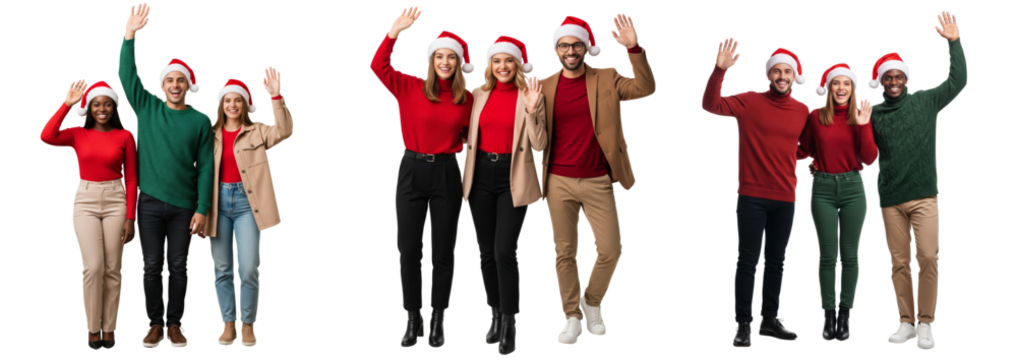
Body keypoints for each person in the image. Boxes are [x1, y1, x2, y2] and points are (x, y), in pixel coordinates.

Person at [538, 13, 655, 347]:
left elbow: (646, 88)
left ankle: (591, 302)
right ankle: (572, 316)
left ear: (587, 47)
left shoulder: (607, 78)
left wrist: (633, 48)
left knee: (611, 250)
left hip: (598, 179)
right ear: (557, 49)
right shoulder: (545, 85)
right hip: (557, 180)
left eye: (576, 44)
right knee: (565, 252)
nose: (570, 50)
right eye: (564, 45)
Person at [369, 5, 477, 350]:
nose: (445, 62)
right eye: (439, 56)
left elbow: (472, 135)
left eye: (451, 57)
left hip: (447, 172)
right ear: (431, 60)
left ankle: (439, 319)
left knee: (443, 250)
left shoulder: (466, 99)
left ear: (458, 63)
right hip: (411, 170)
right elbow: (377, 67)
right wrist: (393, 32)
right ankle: (412, 318)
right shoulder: (410, 87)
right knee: (409, 249)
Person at [701, 36, 811, 349]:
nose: (781, 77)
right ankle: (743, 324)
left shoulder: (803, 110)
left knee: (777, 260)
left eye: (787, 72)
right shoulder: (749, 101)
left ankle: (771, 320)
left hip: (786, 197)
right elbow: (710, 105)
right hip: (751, 196)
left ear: (794, 77)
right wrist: (719, 70)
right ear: (768, 75)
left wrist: (804, 159)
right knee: (748, 260)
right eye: (776, 72)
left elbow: (802, 149)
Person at [866, 9, 966, 351]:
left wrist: (954, 44)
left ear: (906, 78)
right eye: (887, 79)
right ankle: (905, 321)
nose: (893, 83)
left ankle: (925, 323)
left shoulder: (925, 100)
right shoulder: (874, 113)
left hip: (925, 195)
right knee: (899, 262)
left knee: (927, 256)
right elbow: (858, 149)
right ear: (880, 82)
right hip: (890, 197)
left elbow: (958, 82)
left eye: (898, 77)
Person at [118, 2, 214, 349]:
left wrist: (202, 208)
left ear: (188, 86)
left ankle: (176, 324)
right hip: (147, 202)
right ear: (162, 85)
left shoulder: (201, 120)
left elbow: (206, 167)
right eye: (170, 80)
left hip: (184, 206)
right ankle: (154, 324)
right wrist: (129, 36)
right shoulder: (147, 106)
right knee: (151, 266)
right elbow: (128, 78)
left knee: (178, 266)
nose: (175, 85)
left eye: (180, 81)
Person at [462, 34, 546, 356]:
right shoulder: (477, 94)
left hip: (514, 175)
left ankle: (511, 322)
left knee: (504, 251)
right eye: (497, 61)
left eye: (508, 61)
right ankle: (495, 314)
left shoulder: (529, 94)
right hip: (480, 174)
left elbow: (539, 145)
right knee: (485, 253)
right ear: (490, 65)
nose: (502, 67)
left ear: (518, 64)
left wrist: (534, 110)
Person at [40, 78, 138, 351]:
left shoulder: (126, 136)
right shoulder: (76, 134)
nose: (103, 108)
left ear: (115, 108)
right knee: (93, 267)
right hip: (86, 200)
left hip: (117, 199)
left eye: (108, 104)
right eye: (97, 104)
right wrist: (67, 104)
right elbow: (46, 136)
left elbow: (131, 179)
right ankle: (93, 329)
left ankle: (109, 329)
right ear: (89, 107)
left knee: (113, 269)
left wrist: (132, 217)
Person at [202, 68, 293, 348]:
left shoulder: (258, 130)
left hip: (247, 205)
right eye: (227, 100)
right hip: (217, 204)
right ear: (221, 104)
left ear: (245, 105)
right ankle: (228, 323)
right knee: (222, 268)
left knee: (249, 267)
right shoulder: (209, 132)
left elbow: (285, 131)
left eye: (237, 100)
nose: (232, 105)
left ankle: (248, 324)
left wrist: (276, 97)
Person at [797, 62, 877, 343]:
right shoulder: (816, 116)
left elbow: (868, 158)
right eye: (836, 83)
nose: (841, 88)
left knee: (850, 256)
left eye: (846, 84)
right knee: (828, 256)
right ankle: (828, 318)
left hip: (854, 188)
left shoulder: (859, 116)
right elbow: (801, 151)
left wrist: (865, 125)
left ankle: (845, 317)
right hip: (823, 190)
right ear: (828, 88)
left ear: (852, 88)